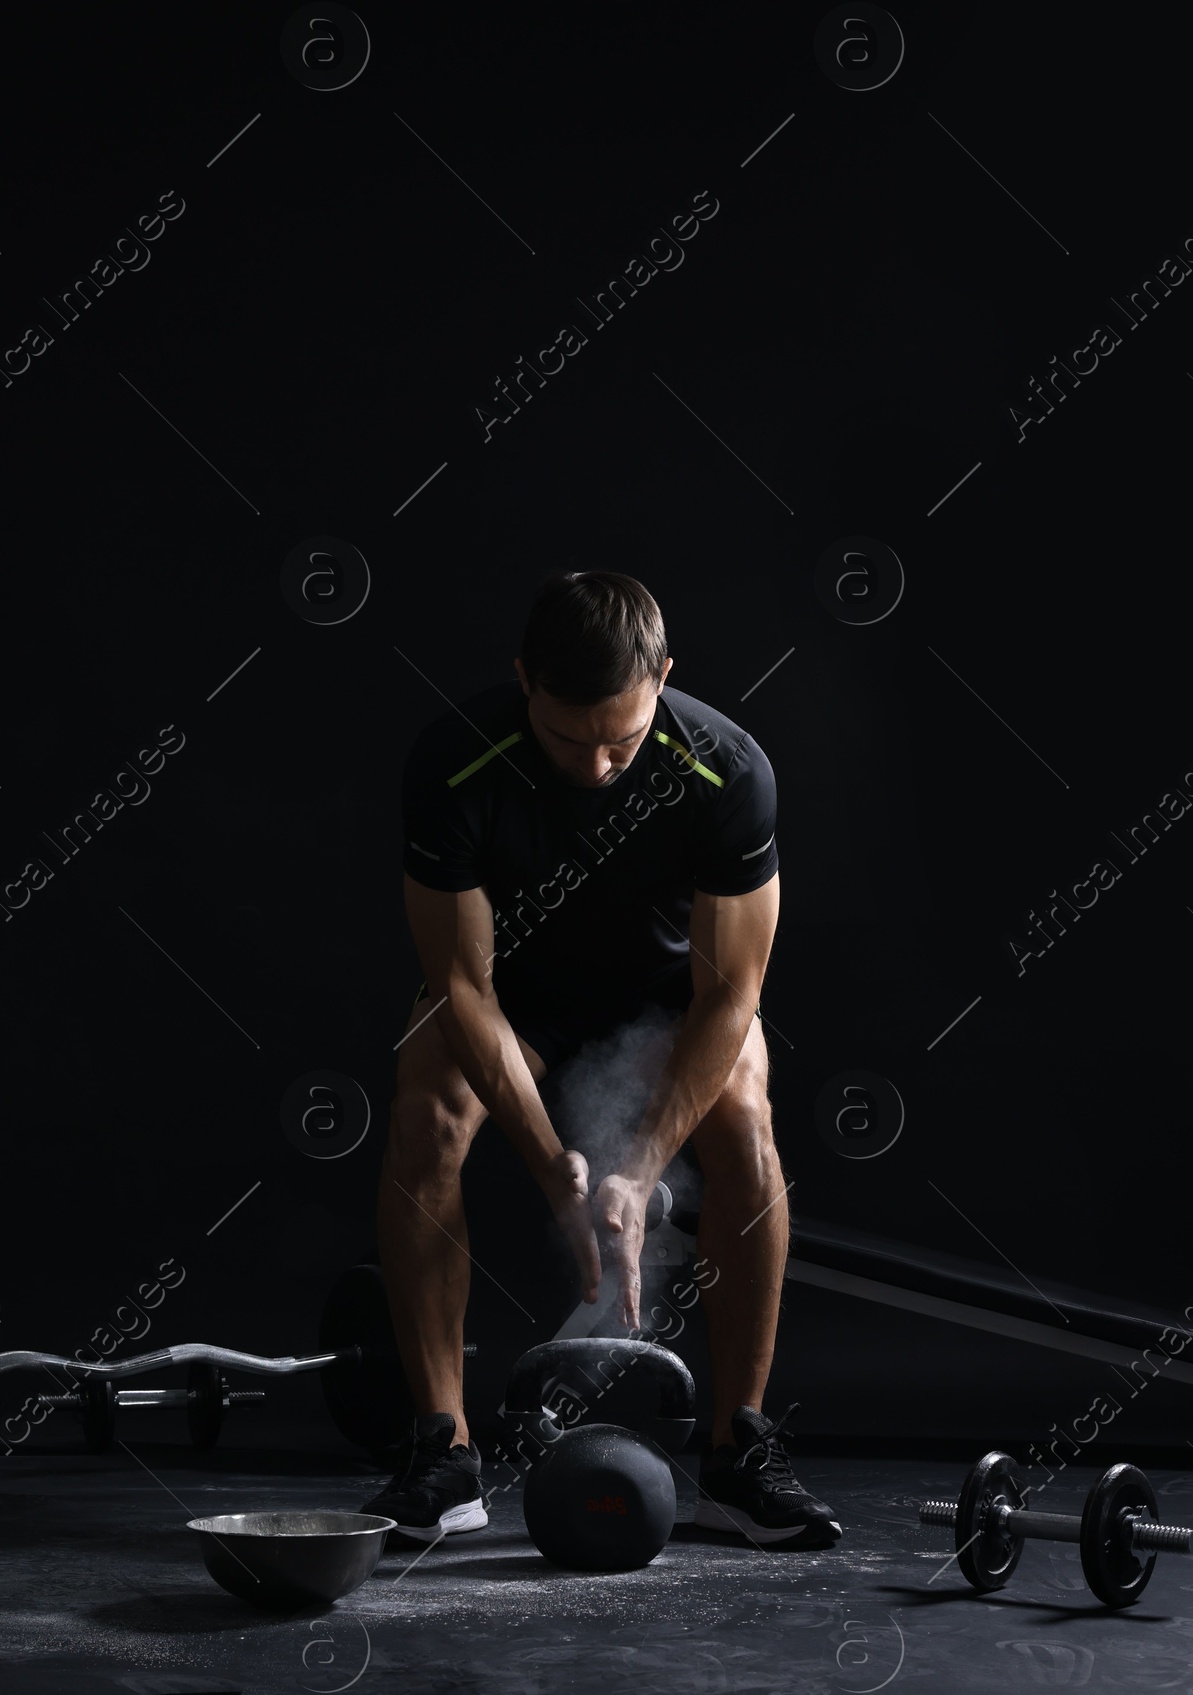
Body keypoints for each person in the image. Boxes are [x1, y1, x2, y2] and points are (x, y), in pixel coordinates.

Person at [362, 569, 840, 1550]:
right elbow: (460, 988)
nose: (594, 766)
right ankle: (442, 1454)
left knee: (746, 1112)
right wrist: (554, 1168)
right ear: (524, 681)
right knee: (423, 1102)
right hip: (516, 1001)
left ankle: (737, 1454)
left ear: (663, 677)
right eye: (569, 739)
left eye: (621, 740)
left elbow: (730, 995)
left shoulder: (728, 769)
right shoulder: (455, 761)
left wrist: (633, 1169)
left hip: (672, 1008)